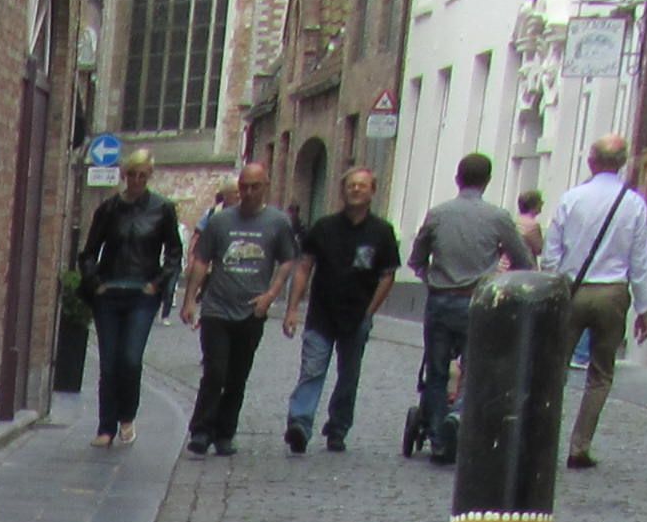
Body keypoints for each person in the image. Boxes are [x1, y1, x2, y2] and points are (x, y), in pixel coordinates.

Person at [405, 152, 528, 463]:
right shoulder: (498, 217)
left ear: (458, 179)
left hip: (441, 300)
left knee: (435, 370)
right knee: (475, 367)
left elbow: (416, 259)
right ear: (487, 181)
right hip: (478, 301)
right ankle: (458, 416)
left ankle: (437, 437)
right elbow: (523, 259)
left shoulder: (437, 214)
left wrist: (431, 277)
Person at [543, 135, 647, 470]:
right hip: (612, 293)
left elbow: (552, 252)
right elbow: (640, 259)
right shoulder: (633, 203)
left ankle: (543, 439)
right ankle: (580, 445)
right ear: (622, 163)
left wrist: (553, 288)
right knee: (601, 373)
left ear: (591, 161)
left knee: (553, 369)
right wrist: (644, 308)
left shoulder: (571, 199)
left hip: (572, 291)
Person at [179, 157, 298, 455]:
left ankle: (225, 433)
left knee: (237, 375)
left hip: (252, 310)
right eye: (244, 187)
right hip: (217, 307)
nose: (248, 192)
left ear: (265, 187)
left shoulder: (278, 222)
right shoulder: (220, 221)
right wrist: (190, 298)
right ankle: (201, 430)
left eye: (255, 187)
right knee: (215, 371)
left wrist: (271, 294)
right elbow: (202, 260)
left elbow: (287, 261)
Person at [281, 167, 399, 452]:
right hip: (322, 313)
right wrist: (292, 307)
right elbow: (305, 267)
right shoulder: (324, 227)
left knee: (349, 375)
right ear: (342, 191)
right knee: (312, 369)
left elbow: (387, 275)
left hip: (357, 314)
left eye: (362, 186)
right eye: (350, 186)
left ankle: (338, 427)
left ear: (372, 191)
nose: (356, 190)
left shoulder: (382, 232)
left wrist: (370, 312)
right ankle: (300, 423)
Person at [77, 148, 182, 448]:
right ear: (124, 175)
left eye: (142, 175)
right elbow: (88, 252)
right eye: (132, 174)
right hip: (109, 293)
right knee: (109, 362)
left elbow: (174, 253)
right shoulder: (109, 210)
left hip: (142, 294)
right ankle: (105, 427)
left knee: (130, 358)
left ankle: (127, 415)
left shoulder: (162, 209)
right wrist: (95, 282)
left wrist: (158, 283)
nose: (136, 180)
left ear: (149, 176)